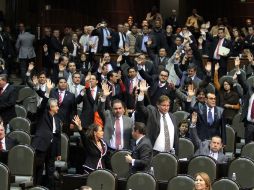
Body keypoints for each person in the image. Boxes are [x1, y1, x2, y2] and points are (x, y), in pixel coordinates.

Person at [136, 80, 179, 155]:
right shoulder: (152, 113)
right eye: (163, 105)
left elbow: (176, 136)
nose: (166, 108)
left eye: (167, 105)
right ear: (158, 105)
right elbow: (141, 108)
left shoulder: (173, 117)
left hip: (170, 153)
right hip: (155, 152)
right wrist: (142, 93)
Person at [32, 80, 61, 189]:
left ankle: (50, 188)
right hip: (41, 146)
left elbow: (57, 136)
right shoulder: (43, 114)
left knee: (50, 170)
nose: (58, 107)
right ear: (51, 107)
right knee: (38, 169)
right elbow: (43, 104)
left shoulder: (57, 119)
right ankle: (36, 187)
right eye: (56, 106)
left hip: (52, 147)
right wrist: (48, 92)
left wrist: (58, 152)